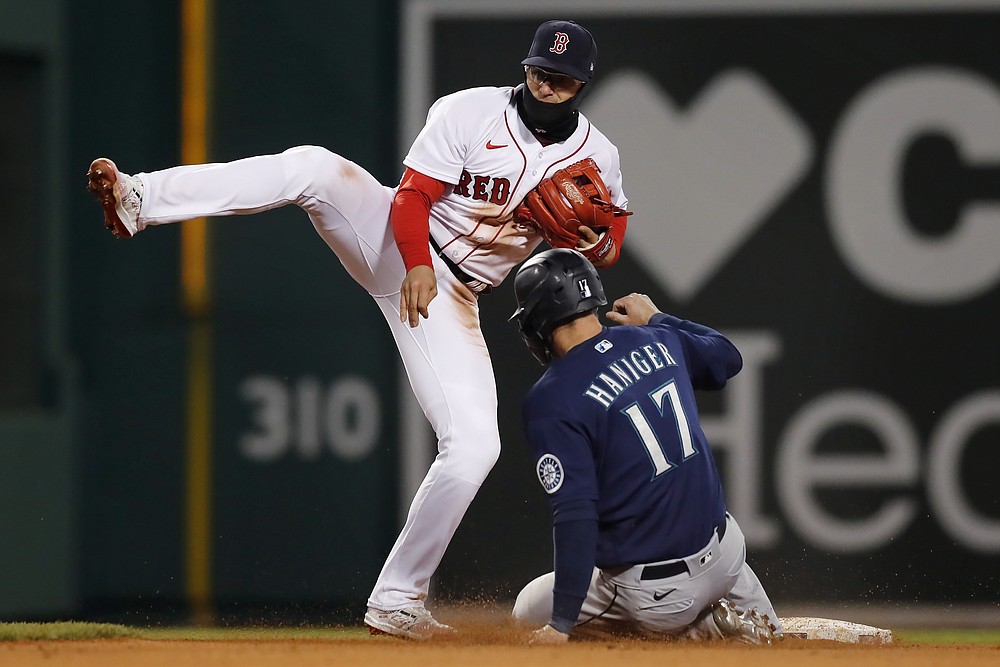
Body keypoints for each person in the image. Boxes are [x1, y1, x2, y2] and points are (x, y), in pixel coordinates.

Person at [86, 20, 629, 639]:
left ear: (582, 85)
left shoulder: (598, 156)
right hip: (398, 246)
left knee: (477, 445)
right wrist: (417, 264)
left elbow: (610, 239)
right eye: (540, 71)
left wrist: (599, 242)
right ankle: (140, 199)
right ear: (526, 67)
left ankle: (397, 599)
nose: (547, 84)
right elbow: (411, 197)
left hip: (458, 296)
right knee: (314, 169)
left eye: (561, 79)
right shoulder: (469, 113)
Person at [507, 249, 781, 644]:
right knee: (773, 638)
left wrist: (561, 624)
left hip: (658, 597)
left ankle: (700, 635)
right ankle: (741, 617)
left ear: (537, 322)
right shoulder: (657, 337)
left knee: (527, 609)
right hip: (728, 557)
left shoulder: (551, 399)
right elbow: (727, 357)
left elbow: (576, 514)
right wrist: (657, 318)